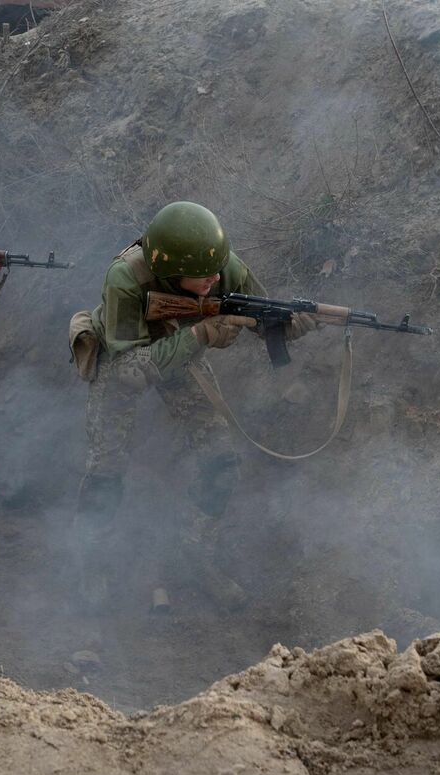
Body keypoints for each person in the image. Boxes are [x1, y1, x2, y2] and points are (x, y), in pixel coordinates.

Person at [70, 201, 317, 611]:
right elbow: (133, 370)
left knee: (221, 459)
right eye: (204, 276)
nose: (216, 279)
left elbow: (263, 317)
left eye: (218, 270)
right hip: (124, 356)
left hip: (181, 351)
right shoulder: (126, 278)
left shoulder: (222, 267)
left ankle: (193, 555)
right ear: (171, 269)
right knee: (106, 468)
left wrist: (292, 324)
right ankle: (89, 564)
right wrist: (201, 335)